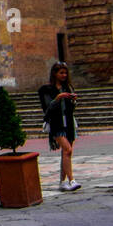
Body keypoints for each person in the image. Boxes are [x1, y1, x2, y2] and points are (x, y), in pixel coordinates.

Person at [39, 62, 80, 191]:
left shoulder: (68, 87)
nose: (64, 75)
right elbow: (47, 108)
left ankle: (62, 182)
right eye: (61, 73)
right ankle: (72, 180)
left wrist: (73, 100)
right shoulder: (46, 90)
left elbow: (72, 108)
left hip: (68, 122)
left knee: (66, 153)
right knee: (67, 150)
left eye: (65, 73)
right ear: (55, 74)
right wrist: (58, 98)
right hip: (56, 123)